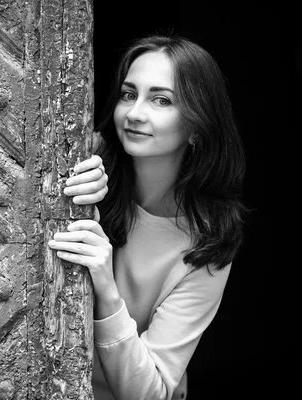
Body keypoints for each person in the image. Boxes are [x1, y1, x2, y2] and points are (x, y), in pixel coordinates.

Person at [47, 34, 247, 400]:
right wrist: (70, 172)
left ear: (198, 127)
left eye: (161, 100)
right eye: (128, 94)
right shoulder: (86, 161)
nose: (135, 113)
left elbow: (149, 394)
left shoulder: (208, 245)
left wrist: (105, 288)